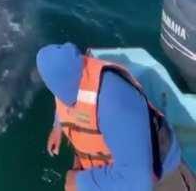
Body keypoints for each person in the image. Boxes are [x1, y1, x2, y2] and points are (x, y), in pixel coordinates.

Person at [36, 43, 196, 191]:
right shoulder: (68, 84)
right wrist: (58, 128)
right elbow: (62, 104)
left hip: (161, 179)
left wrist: (79, 182)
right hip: (111, 171)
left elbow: (139, 181)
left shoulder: (114, 102)